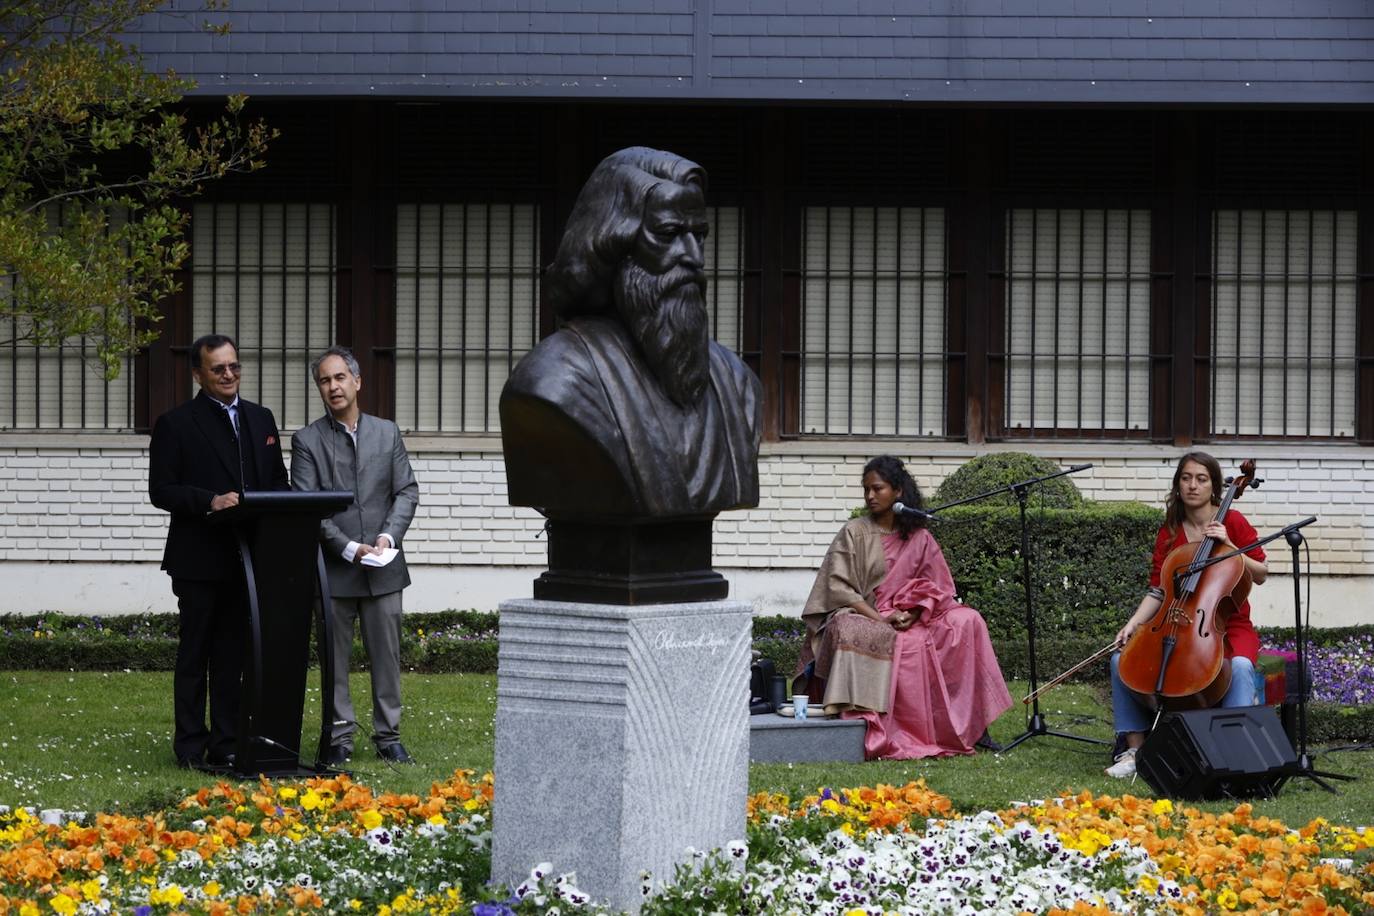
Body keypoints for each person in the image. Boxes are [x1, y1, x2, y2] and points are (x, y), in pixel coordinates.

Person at [500, 146, 761, 518]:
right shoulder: (553, 382)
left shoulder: (737, 382)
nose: (693, 257)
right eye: (668, 234)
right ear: (611, 244)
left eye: (698, 235)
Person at [797, 455, 1013, 759]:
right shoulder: (854, 532)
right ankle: (864, 726)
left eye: (878, 488)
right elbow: (839, 589)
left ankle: (971, 727)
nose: (870, 496)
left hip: (913, 615)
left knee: (968, 620)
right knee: (851, 628)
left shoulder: (920, 536)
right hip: (867, 612)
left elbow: (938, 586)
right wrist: (883, 619)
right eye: (866, 490)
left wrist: (913, 612)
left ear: (898, 491)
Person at [148, 333, 289, 769]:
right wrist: (209, 500)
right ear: (198, 374)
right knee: (195, 654)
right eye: (218, 369)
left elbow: (277, 483)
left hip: (248, 559)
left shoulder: (262, 419)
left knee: (232, 655)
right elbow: (161, 490)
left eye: (234, 366)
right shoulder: (176, 423)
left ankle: (226, 742)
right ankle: (190, 745)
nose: (229, 375)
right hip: (198, 559)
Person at [291, 346, 420, 766]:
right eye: (325, 380)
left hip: (384, 568)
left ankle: (389, 736)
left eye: (340, 377)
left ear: (357, 381)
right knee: (335, 662)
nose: (333, 386)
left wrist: (386, 538)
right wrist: (348, 548)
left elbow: (406, 491)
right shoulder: (307, 441)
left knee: (387, 658)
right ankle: (339, 738)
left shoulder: (387, 432)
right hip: (334, 572)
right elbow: (306, 506)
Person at [1104, 451, 1268, 778]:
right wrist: (1133, 624)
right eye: (1186, 478)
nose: (1193, 485)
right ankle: (1134, 750)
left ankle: (1234, 754)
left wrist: (1230, 544)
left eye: (1201, 479)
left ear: (1214, 486)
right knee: (1121, 659)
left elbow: (1261, 572)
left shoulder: (1233, 522)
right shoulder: (1170, 532)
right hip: (1176, 622)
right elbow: (1158, 590)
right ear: (1178, 485)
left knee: (1237, 666)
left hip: (1226, 625)